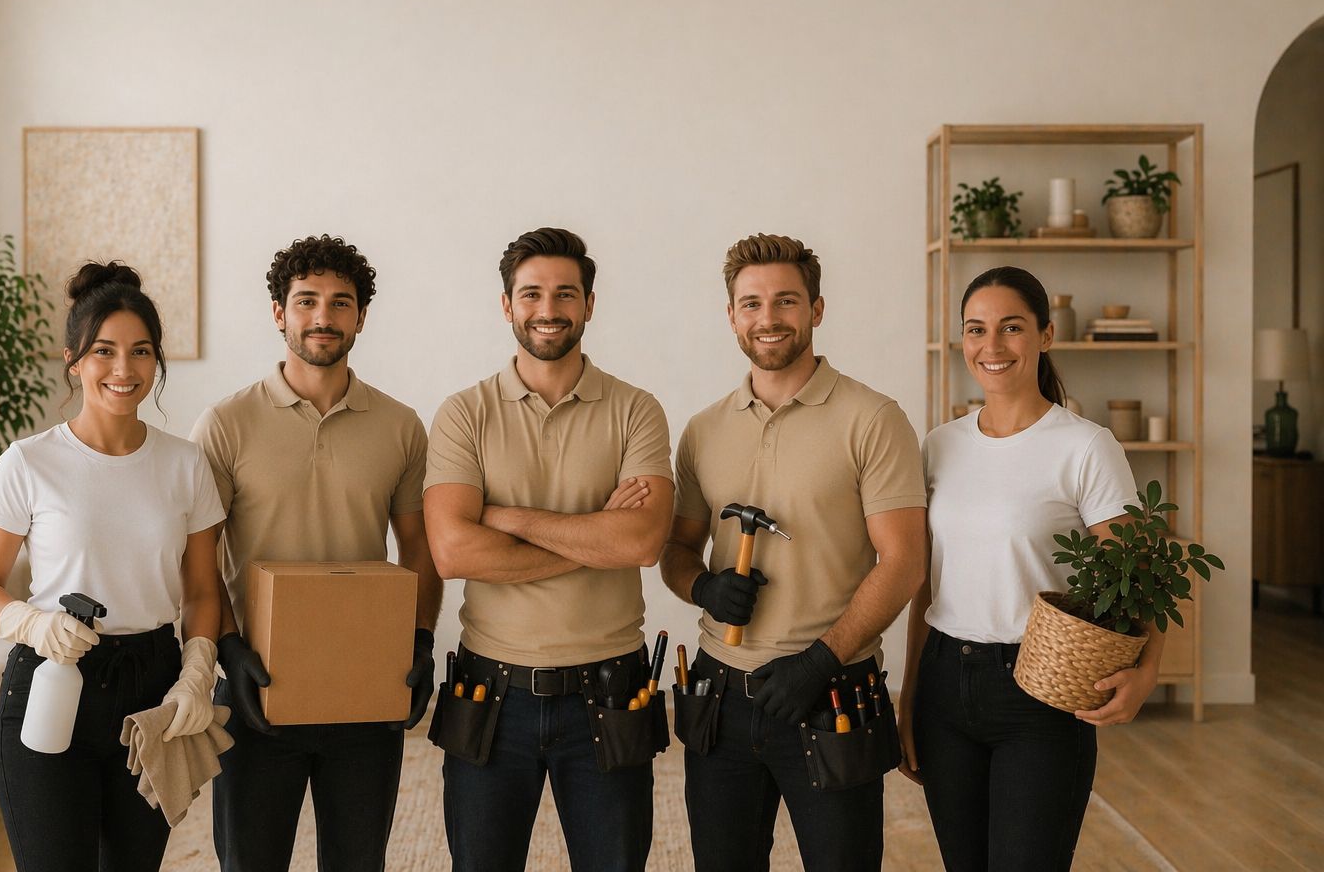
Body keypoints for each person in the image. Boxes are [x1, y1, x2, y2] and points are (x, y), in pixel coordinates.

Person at [660, 233, 928, 872]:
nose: (768, 318)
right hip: (719, 697)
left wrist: (819, 661)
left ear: (817, 309)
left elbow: (905, 562)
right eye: (751, 304)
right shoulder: (704, 429)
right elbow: (675, 548)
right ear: (731, 316)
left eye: (785, 301)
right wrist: (700, 588)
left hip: (830, 691)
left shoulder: (872, 418)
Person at [424, 227, 675, 872]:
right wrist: (596, 539)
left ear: (590, 304)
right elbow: (453, 552)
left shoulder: (636, 410)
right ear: (506, 305)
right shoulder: (463, 414)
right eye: (531, 293)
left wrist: (504, 517)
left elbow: (643, 540)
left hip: (611, 688)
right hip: (491, 692)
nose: (548, 308)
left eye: (566, 293)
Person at [0, 262, 226, 872]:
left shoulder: (185, 466)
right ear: (73, 360)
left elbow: (204, 592)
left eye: (140, 352)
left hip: (153, 687)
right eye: (103, 351)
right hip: (52, 677)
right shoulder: (29, 463)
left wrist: (196, 669)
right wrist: (30, 624)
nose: (123, 369)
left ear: (157, 361)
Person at [192, 234, 441, 872]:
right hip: (256, 690)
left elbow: (418, 547)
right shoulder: (227, 424)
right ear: (280, 313)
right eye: (306, 301)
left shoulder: (400, 426)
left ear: (361, 316)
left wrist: (418, 641)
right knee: (250, 862)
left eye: (340, 302)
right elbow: (196, 559)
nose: (322, 317)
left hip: (366, 689)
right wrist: (228, 650)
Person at [898, 265, 1152, 871]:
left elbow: (1139, 572)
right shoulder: (939, 445)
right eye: (976, 329)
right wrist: (909, 698)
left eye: (1011, 327)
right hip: (942, 687)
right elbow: (924, 583)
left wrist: (1147, 671)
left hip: (1041, 691)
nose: (992, 346)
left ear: (1045, 335)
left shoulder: (1085, 446)